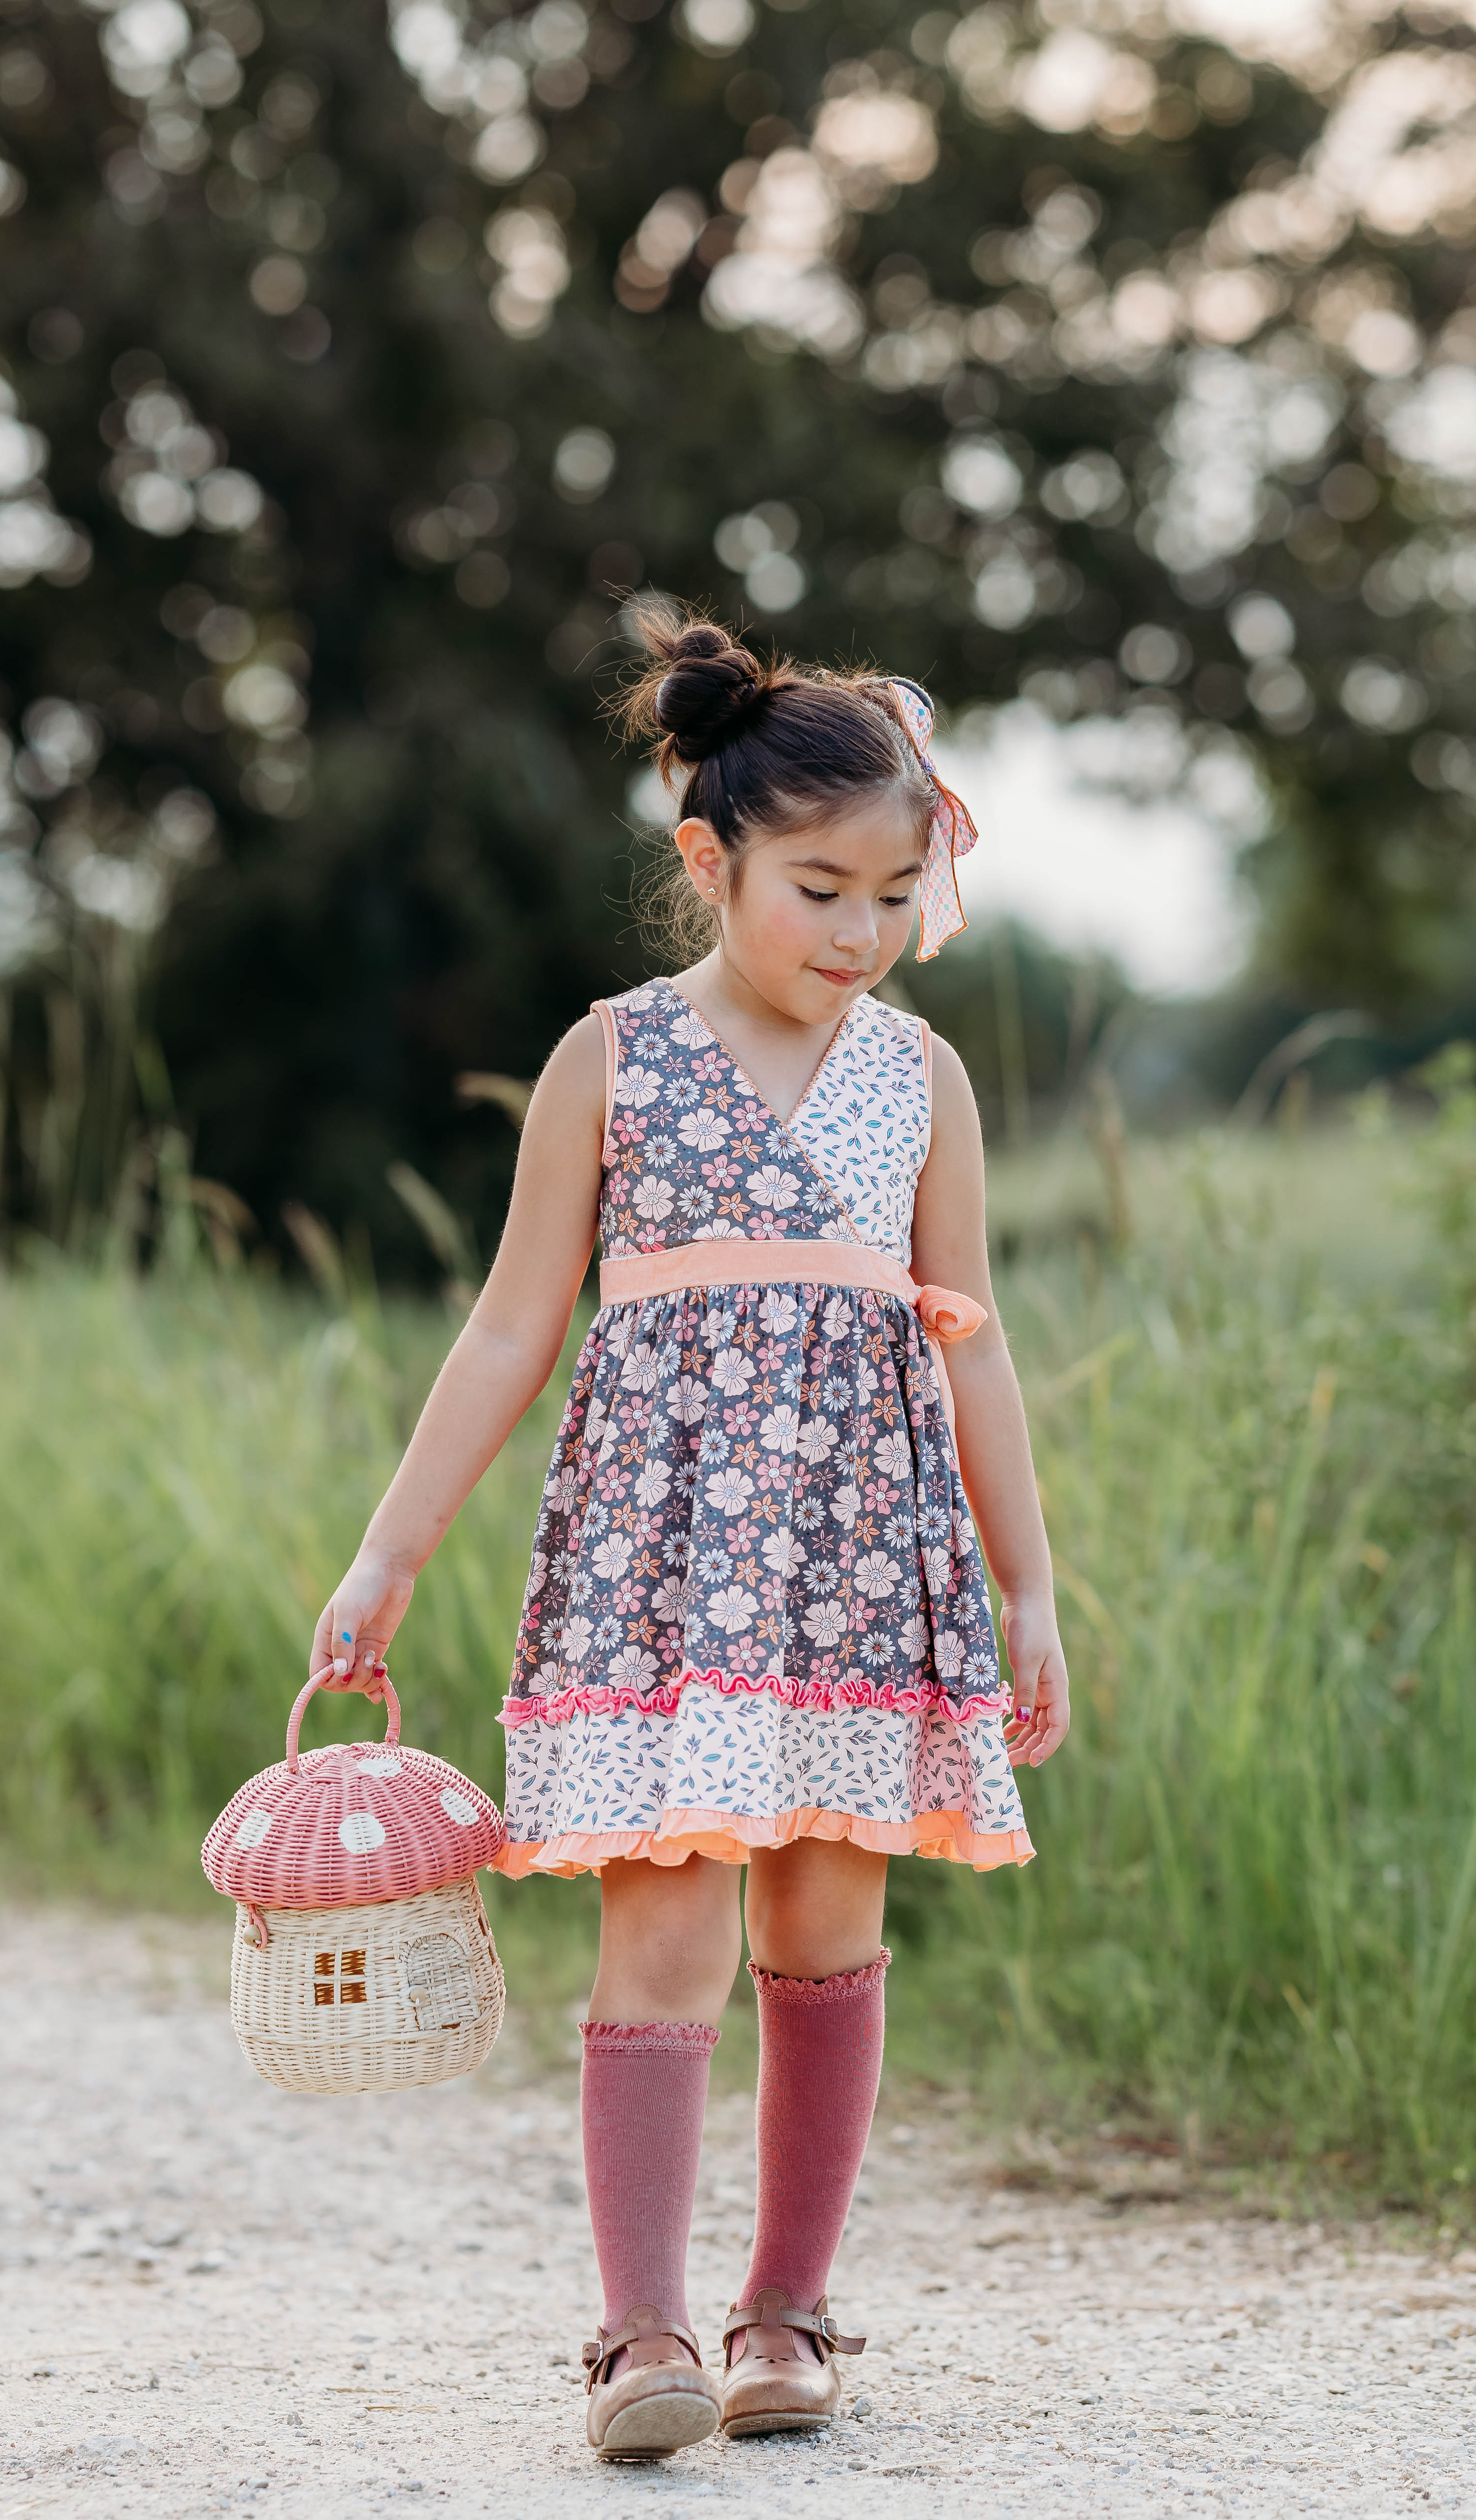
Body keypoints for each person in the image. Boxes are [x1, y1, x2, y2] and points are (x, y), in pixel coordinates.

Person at [312, 614, 1071, 2462]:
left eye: (897, 893)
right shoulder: (613, 1062)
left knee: (827, 1929)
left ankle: (788, 2315)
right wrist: (384, 1557)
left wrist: (1029, 1583)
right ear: (709, 860)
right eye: (820, 887)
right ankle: (639, 2333)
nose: (860, 931)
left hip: (865, 1580)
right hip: (666, 1581)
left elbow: (973, 1343)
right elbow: (511, 1325)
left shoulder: (926, 1085)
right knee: (666, 1940)